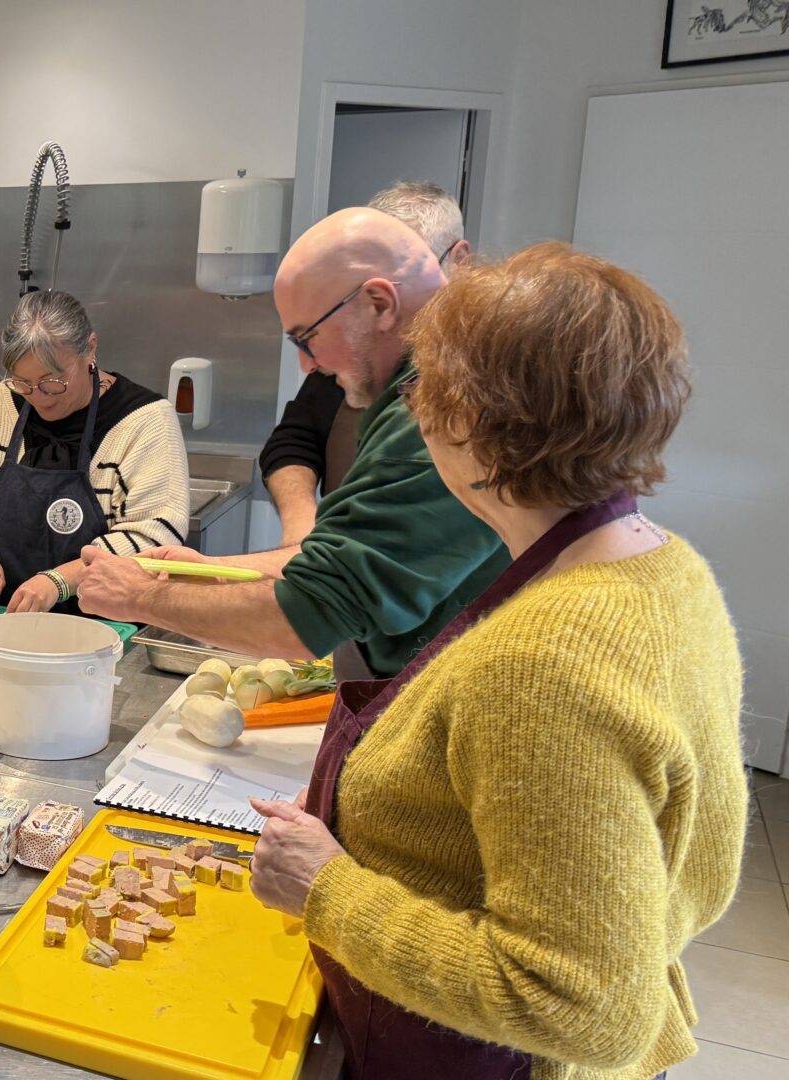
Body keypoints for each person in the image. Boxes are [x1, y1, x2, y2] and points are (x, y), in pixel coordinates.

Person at [244, 244, 744, 1078]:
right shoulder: (664, 565)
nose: (413, 409)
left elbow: (581, 1008)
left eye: (423, 389)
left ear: (465, 421)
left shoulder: (544, 663)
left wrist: (327, 889)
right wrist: (375, 812)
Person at [77, 208, 507, 679]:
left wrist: (140, 596)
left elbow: (313, 610)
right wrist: (214, 572)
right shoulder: (427, 380)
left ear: (380, 304)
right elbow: (342, 555)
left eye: (307, 339)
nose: (308, 367)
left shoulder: (439, 415)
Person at [0, 290, 188, 613]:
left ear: (90, 349)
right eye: (23, 382)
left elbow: (155, 536)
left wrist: (58, 582)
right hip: (7, 621)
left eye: (52, 381)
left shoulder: (144, 420)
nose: (39, 396)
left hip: (110, 627)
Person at [262, 181, 473, 545]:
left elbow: (360, 580)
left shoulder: (469, 390)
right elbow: (293, 441)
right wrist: (301, 527)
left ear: (460, 259)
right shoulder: (353, 356)